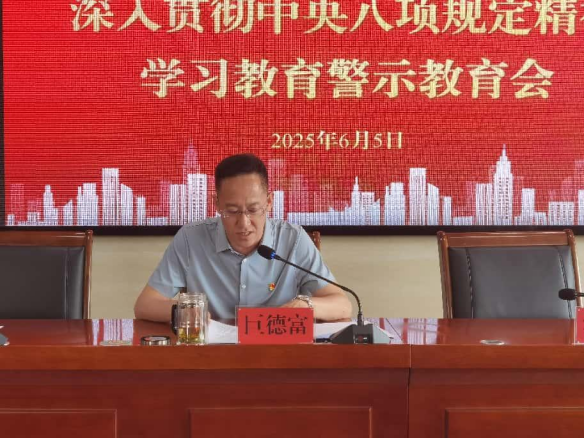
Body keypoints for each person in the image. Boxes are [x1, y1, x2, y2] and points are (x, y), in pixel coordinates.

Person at [134, 154, 352, 322]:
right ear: (217, 204)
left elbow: (343, 305)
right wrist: (185, 311)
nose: (244, 223)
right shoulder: (191, 239)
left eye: (253, 210)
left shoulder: (293, 239)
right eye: (232, 211)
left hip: (279, 356)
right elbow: (145, 305)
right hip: (211, 357)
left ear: (269, 202)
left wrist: (305, 305)